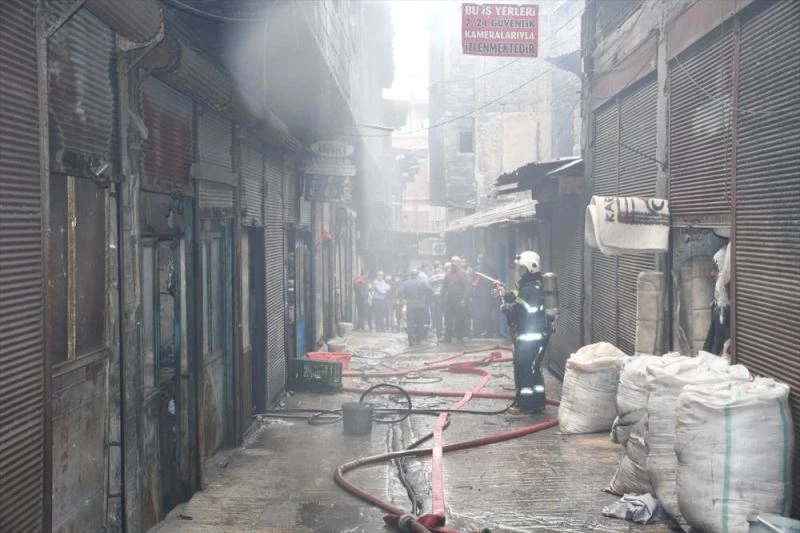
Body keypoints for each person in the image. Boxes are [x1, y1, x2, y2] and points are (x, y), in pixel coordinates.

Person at [501, 250, 554, 414]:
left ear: (531, 267)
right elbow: (520, 297)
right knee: (533, 369)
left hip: (530, 337)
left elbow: (527, 309)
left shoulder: (530, 288)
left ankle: (526, 404)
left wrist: (507, 309)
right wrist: (507, 295)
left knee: (524, 369)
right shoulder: (532, 285)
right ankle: (538, 402)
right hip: (535, 335)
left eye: (522, 268)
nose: (519, 270)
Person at [703, 243, 731, 356]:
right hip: (718, 309)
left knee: (717, 337)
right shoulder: (721, 283)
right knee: (714, 336)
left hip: (721, 310)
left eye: (715, 269)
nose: (712, 274)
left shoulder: (724, 282)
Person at [401, 269, 432, 346]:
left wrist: (404, 299)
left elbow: (401, 293)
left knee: (410, 323)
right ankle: (418, 340)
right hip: (421, 304)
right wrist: (426, 298)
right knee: (420, 323)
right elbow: (430, 290)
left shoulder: (405, 283)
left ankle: (411, 341)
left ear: (410, 275)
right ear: (417, 275)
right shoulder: (422, 282)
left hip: (410, 304)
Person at [442, 257, 469, 343]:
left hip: (459, 300)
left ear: (459, 263)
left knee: (460, 319)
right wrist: (441, 297)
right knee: (448, 320)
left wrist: (464, 299)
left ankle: (459, 337)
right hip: (449, 300)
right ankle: (448, 337)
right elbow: (444, 286)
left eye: (455, 262)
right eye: (452, 261)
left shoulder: (463, 273)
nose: (453, 263)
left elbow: (467, 287)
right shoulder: (448, 273)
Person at [471, 253, 497, 337]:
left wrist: (472, 292)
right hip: (487, 294)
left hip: (480, 295)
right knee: (487, 313)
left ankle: (480, 331)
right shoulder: (491, 270)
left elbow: (474, 282)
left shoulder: (478, 269)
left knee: (480, 313)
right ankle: (488, 331)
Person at [429, 261, 446, 340]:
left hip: (435, 297)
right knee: (446, 314)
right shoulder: (444, 276)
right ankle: (448, 332)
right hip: (444, 296)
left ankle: (439, 333)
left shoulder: (431, 278)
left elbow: (429, 288)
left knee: (438, 316)